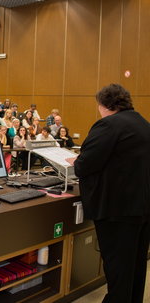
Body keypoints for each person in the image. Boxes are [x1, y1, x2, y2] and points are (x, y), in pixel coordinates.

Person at [67, 84, 150, 303]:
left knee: (118, 272)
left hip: (116, 210)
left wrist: (77, 161)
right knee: (135, 268)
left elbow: (84, 165)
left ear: (106, 105)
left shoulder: (109, 125)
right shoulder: (142, 123)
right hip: (141, 207)